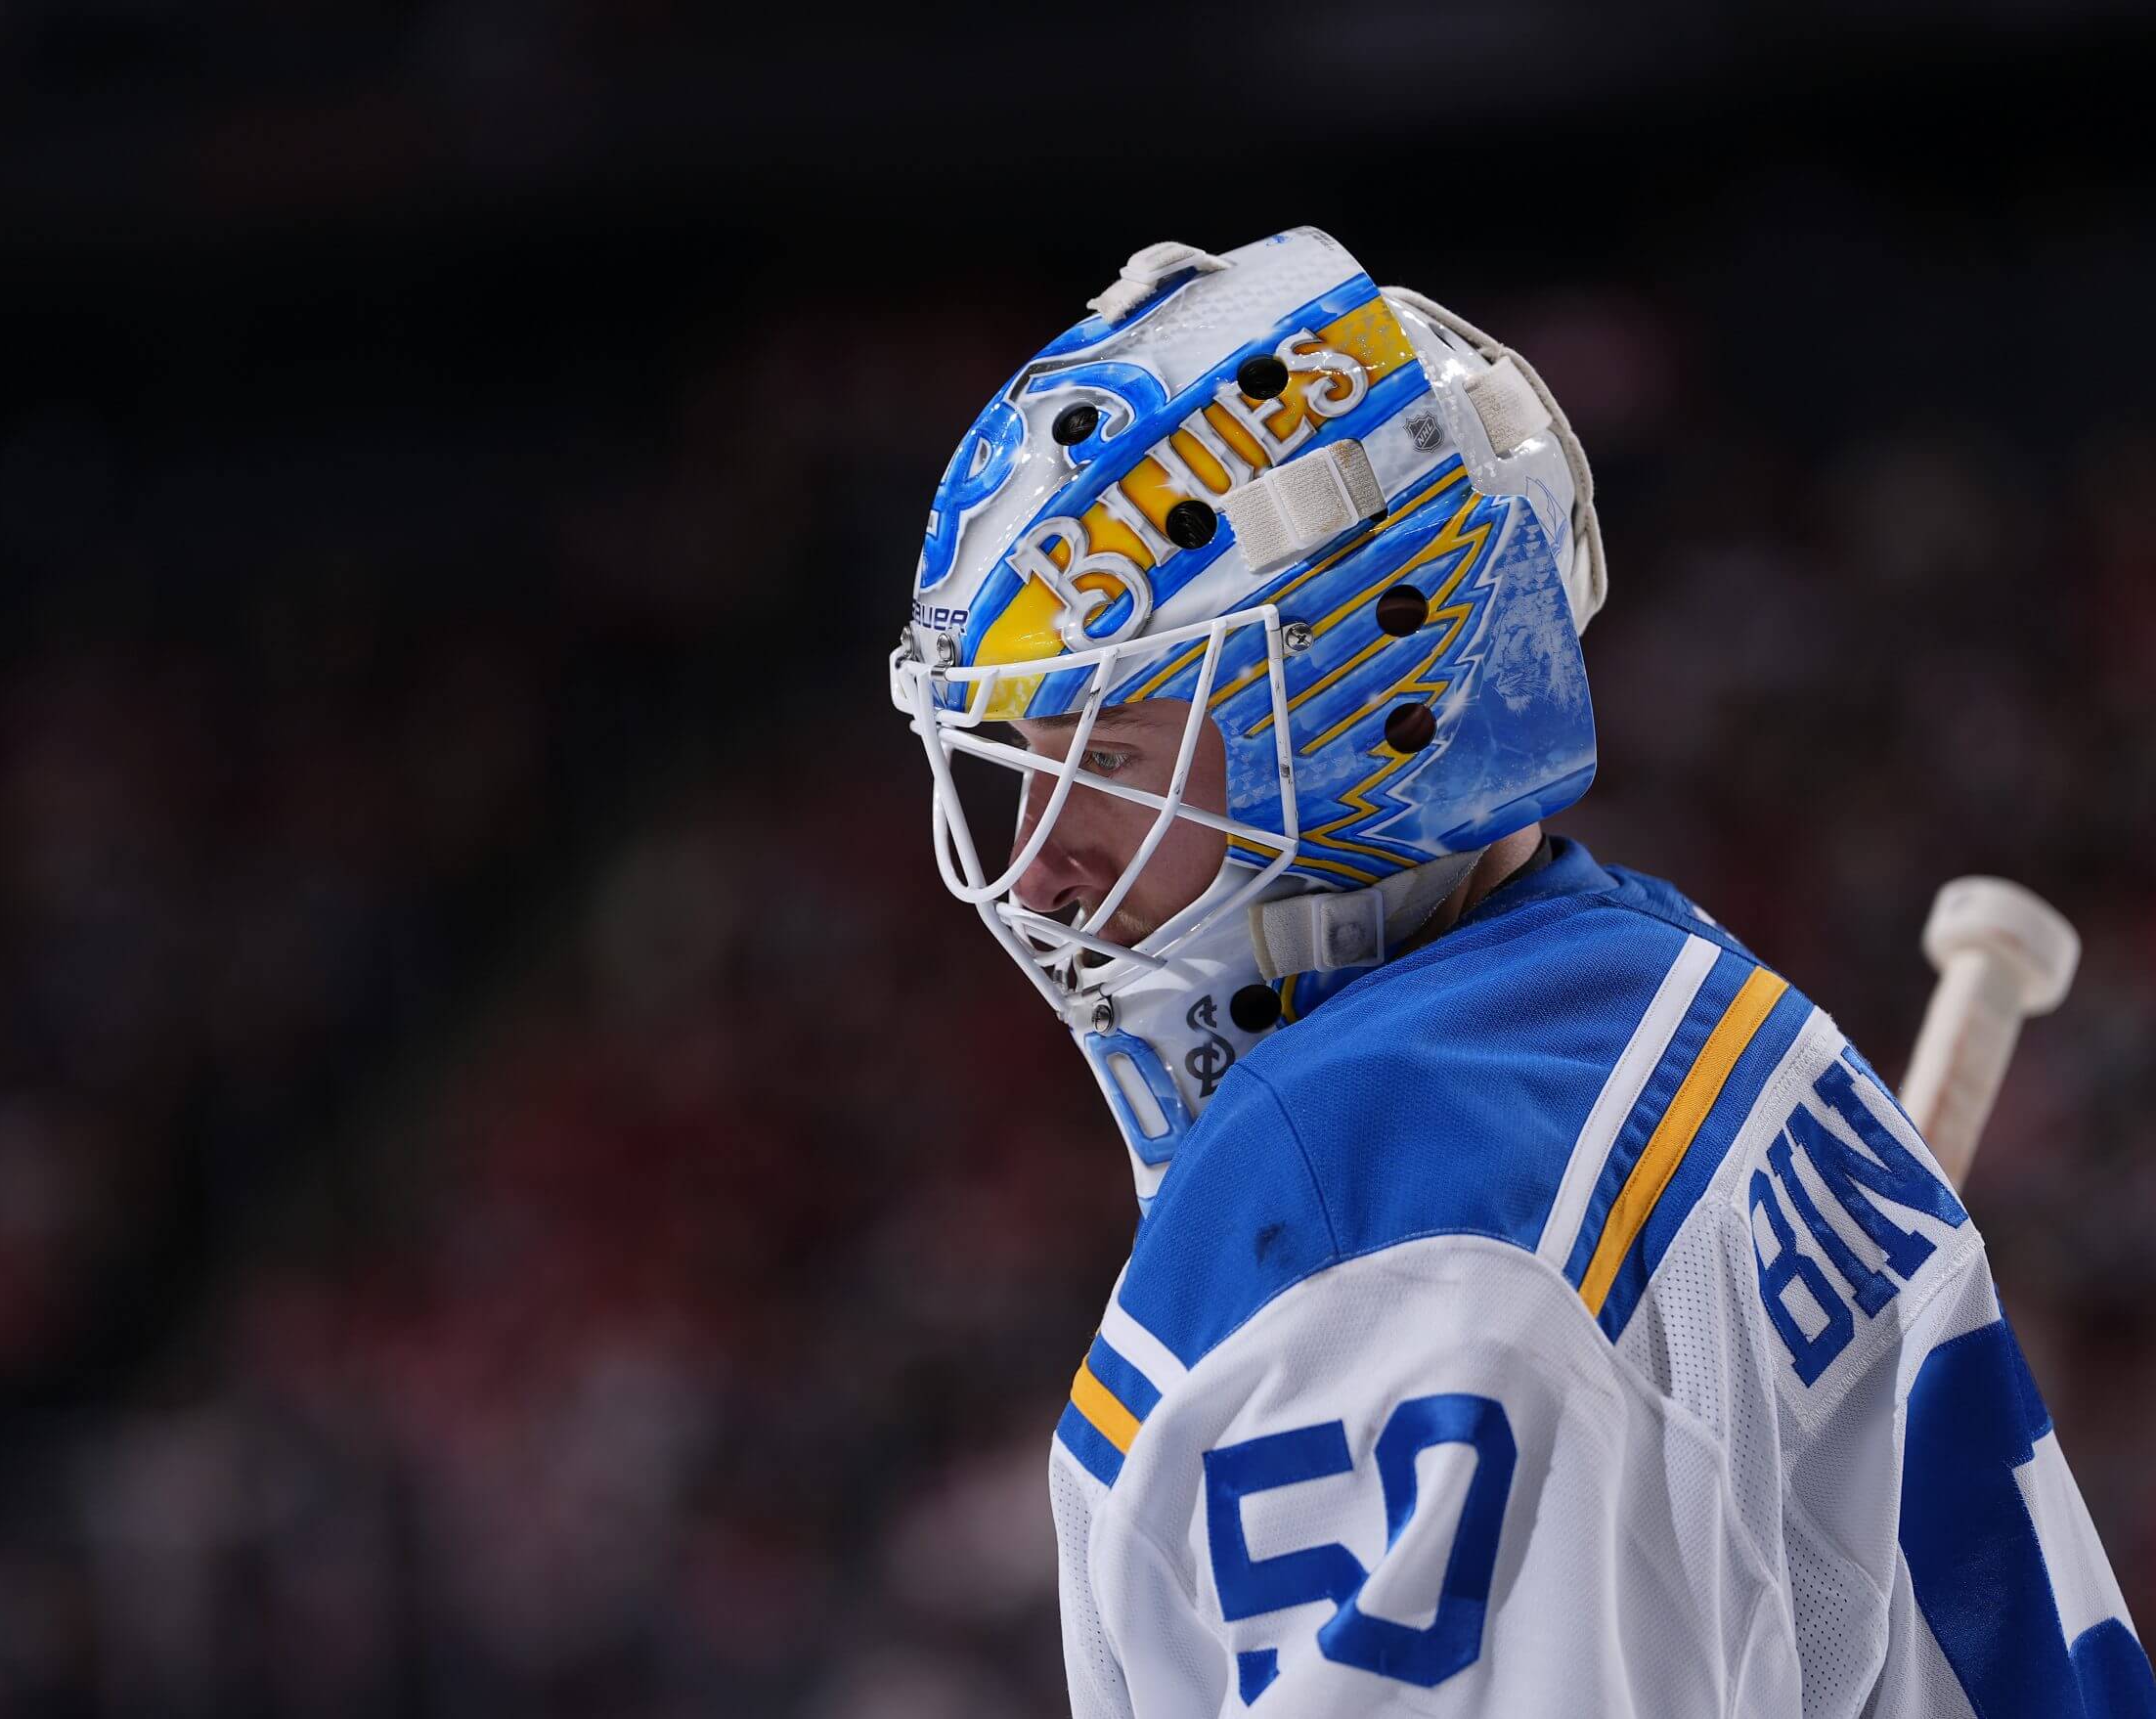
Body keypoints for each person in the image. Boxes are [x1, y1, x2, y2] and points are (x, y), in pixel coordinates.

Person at [889, 228, 2154, 1717]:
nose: (1040, 866)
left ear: (1366, 700)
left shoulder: (1369, 1205)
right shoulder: (1671, 996)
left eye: (1106, 755)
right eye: (1029, 767)